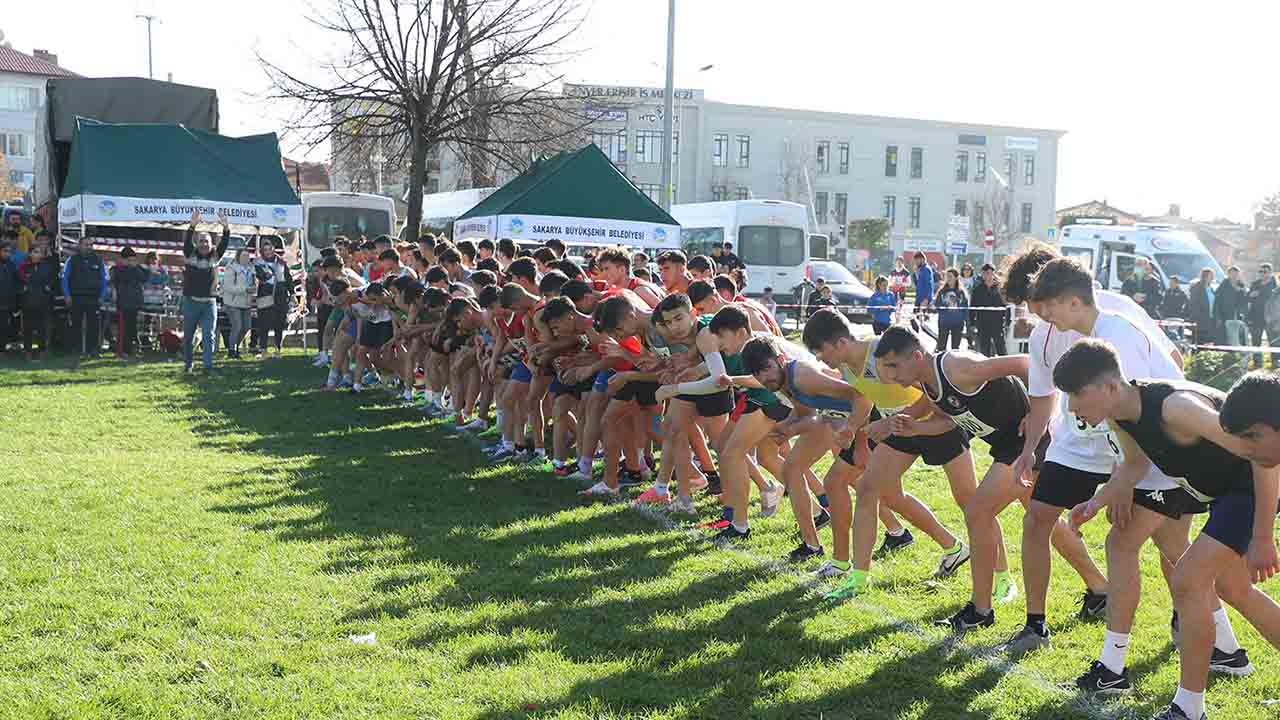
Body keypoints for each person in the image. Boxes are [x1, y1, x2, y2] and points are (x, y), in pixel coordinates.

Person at [1011, 257, 1251, 694]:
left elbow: (1156, 414)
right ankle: (1228, 651)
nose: (1045, 317)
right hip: (1170, 460)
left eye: (1049, 307)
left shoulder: (1114, 335)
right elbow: (1133, 432)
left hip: (1186, 461)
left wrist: (1127, 482)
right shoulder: (1105, 333)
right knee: (1178, 552)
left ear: (1072, 301)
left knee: (1126, 545)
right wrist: (1117, 484)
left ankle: (1113, 668)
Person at [1056, 345, 1278, 720]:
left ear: (1109, 387)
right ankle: (1219, 672)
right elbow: (1134, 466)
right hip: (1225, 495)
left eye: (1077, 395)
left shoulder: (1174, 408)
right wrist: (1095, 502)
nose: (1072, 408)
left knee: (1189, 580)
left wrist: (1261, 535)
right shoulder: (1120, 416)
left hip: (1249, 489)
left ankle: (1189, 709)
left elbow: (1262, 451)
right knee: (1234, 589)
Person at [997, 243, 1182, 660]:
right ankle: (1035, 623)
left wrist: (1132, 468)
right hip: (1079, 444)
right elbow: (1042, 395)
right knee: (1038, 517)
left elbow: (1167, 360)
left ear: (1065, 295)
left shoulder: (1114, 314)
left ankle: (1186, 615)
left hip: (1134, 444)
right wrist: (1030, 449)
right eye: (1032, 304)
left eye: (1039, 302)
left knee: (1167, 541)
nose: (1037, 314)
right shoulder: (1043, 334)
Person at [873, 324, 1036, 630]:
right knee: (1043, 521)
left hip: (1028, 444)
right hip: (1008, 446)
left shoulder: (956, 366)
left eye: (895, 365)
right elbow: (948, 422)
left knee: (977, 512)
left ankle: (981, 610)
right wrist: (917, 428)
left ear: (917, 356)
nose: (892, 375)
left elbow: (1024, 364)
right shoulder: (930, 385)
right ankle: (1099, 589)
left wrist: (1036, 414)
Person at [181, 211, 231, 372]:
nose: (204, 244)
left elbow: (224, 243)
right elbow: (187, 241)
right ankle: (188, 365)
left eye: (207, 241)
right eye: (201, 241)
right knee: (188, 337)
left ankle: (208, 367)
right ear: (197, 243)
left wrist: (226, 227)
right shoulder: (190, 254)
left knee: (209, 336)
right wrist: (192, 226)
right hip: (191, 302)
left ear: (211, 244)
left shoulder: (216, 256)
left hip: (209, 304)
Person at [61, 235, 109, 359]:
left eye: (90, 245)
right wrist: (67, 295)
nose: (88, 247)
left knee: (94, 326)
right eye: (86, 244)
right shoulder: (72, 260)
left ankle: (92, 349)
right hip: (76, 297)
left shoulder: (99, 260)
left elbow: (104, 279)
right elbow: (65, 278)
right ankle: (75, 349)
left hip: (94, 298)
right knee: (75, 324)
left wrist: (102, 296)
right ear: (79, 246)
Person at [254, 238, 294, 357]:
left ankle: (278, 349)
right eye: (265, 249)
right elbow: (261, 276)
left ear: (274, 249)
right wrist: (267, 274)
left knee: (279, 323)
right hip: (265, 294)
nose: (268, 251)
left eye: (270, 248)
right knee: (264, 323)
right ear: (262, 250)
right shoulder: (258, 262)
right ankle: (263, 349)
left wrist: (292, 293)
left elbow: (288, 279)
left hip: (280, 295)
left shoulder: (281, 262)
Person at [19, 242, 57, 360]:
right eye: (35, 252)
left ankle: (42, 350)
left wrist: (49, 287)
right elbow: (19, 282)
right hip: (28, 303)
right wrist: (23, 290)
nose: (38, 254)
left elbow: (53, 281)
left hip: (43, 302)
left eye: (40, 252)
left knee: (42, 328)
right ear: (30, 253)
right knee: (28, 328)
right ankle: (28, 351)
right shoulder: (24, 266)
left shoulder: (47, 266)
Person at [111, 247, 149, 358]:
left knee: (132, 327)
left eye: (133, 259)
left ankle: (131, 349)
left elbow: (144, 278)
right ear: (123, 259)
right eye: (128, 260)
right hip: (123, 303)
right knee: (123, 327)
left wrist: (136, 267)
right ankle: (122, 350)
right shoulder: (117, 269)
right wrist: (130, 267)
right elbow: (120, 277)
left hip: (135, 302)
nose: (131, 262)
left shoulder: (138, 268)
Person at [221, 249, 256, 359]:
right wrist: (245, 289)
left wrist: (254, 287)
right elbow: (227, 287)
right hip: (232, 302)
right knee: (237, 326)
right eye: (243, 256)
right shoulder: (231, 269)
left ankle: (235, 346)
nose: (246, 259)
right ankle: (232, 350)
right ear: (238, 257)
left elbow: (253, 282)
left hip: (246, 303)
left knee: (246, 327)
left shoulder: (251, 268)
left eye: (247, 256)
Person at [970, 263, 1007, 357]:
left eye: (991, 273)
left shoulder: (1000, 288)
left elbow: (1006, 306)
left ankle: (1006, 368)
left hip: (997, 322)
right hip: (982, 322)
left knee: (1000, 347)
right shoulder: (977, 289)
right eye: (986, 273)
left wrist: (1007, 321)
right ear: (982, 274)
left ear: (994, 274)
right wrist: (972, 323)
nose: (988, 275)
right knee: (984, 348)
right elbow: (972, 307)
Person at [1246, 263, 1276, 367]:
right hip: (1256, 318)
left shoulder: (1275, 285)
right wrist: (1250, 295)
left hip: (1272, 319)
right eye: (1260, 272)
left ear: (1270, 273)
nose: (1262, 274)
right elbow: (1247, 298)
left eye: (1265, 272)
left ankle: (1275, 364)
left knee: (1273, 343)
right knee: (1256, 342)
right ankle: (1257, 364)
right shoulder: (1255, 284)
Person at [934, 268, 968, 350]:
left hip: (957, 323)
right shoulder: (942, 291)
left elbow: (965, 308)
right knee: (941, 346)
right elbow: (937, 305)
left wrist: (967, 321)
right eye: (947, 276)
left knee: (955, 347)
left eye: (950, 276)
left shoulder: (961, 292)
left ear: (956, 278)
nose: (948, 278)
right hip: (944, 322)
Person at [1213, 266, 1247, 346]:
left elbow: (1244, 302)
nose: (1234, 276)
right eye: (1232, 274)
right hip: (1225, 316)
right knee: (1225, 338)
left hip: (1238, 317)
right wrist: (1217, 317)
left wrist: (1241, 291)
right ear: (1228, 274)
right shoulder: (1223, 285)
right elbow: (1217, 303)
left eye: (1236, 274)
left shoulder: (1241, 285)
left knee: (1238, 339)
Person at [1187, 268, 1217, 345]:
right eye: (1210, 276)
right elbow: (1193, 305)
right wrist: (1196, 318)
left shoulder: (1211, 289)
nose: (1212, 278)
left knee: (1208, 343)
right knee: (1198, 343)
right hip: (1199, 322)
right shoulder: (1196, 288)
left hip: (1210, 320)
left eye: (1212, 276)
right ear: (1204, 276)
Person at [0, 242, 18, 352]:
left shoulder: (11, 265)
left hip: (7, 302)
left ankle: (2, 349)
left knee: (4, 327)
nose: (7, 254)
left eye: (9, 251)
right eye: (5, 251)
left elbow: (16, 282)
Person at [913, 252, 934, 318]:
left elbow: (929, 284)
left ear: (922, 259)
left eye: (916, 260)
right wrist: (916, 273)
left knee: (923, 320)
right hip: (919, 298)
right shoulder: (921, 270)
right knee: (917, 318)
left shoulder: (926, 269)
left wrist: (927, 299)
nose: (915, 263)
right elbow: (918, 284)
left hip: (924, 300)